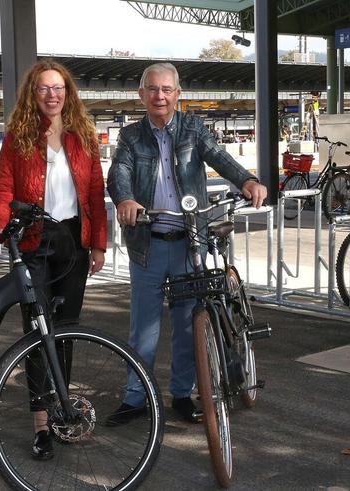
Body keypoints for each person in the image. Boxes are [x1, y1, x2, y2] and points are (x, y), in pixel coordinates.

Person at [106, 62, 266, 426]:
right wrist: (125, 200)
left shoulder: (194, 128)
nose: (159, 95)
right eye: (152, 89)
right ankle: (137, 397)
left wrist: (247, 180)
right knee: (143, 327)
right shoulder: (131, 136)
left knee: (186, 324)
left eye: (166, 89)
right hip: (147, 242)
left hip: (189, 242)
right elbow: (120, 172)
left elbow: (220, 157)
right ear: (141, 94)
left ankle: (181, 393)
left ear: (178, 94)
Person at [0, 60, 107, 460]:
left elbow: (94, 195)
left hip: (73, 240)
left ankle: (62, 412)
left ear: (67, 93)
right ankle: (41, 425)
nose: (52, 95)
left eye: (58, 88)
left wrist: (99, 244)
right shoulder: (18, 137)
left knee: (66, 331)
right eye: (43, 89)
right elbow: (3, 186)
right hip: (33, 240)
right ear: (32, 95)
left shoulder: (83, 136)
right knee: (37, 332)